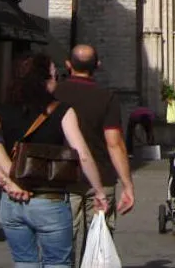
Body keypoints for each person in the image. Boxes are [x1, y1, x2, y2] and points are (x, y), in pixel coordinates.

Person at [0, 53, 109, 268]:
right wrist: (98, 191)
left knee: (24, 262)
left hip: (12, 201)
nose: (56, 81)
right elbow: (83, 154)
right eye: (54, 76)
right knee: (57, 263)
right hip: (49, 199)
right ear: (43, 80)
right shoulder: (62, 111)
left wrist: (6, 179)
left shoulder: (5, 109)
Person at [56, 44, 134, 256]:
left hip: (62, 175)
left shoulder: (55, 93)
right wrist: (127, 184)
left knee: (62, 239)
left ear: (68, 64)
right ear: (97, 65)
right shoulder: (106, 97)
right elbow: (114, 142)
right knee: (98, 240)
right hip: (101, 176)